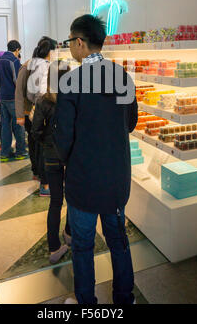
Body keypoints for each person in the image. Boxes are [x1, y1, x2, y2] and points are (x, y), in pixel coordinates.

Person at [53, 15, 138, 305]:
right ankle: (125, 298)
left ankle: (87, 303)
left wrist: (69, 160)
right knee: (119, 243)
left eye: (70, 42)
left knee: (83, 247)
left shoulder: (71, 82)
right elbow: (130, 123)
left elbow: (63, 138)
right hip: (116, 179)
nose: (70, 49)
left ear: (80, 42)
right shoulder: (122, 76)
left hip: (83, 181)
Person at [32, 60, 72, 264]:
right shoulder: (75, 98)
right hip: (72, 155)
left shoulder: (43, 101)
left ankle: (54, 247)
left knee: (55, 201)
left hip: (51, 155)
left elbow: (35, 130)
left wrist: (47, 142)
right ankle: (70, 233)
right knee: (73, 199)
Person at [16, 37, 56, 195]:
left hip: (35, 111)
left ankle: (38, 172)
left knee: (35, 143)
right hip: (30, 112)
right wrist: (19, 114)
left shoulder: (37, 65)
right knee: (36, 144)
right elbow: (19, 92)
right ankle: (40, 175)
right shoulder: (29, 66)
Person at [0, 40, 27, 162]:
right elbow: (17, 81)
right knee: (19, 125)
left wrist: (1, 92)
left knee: (5, 126)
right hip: (14, 98)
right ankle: (21, 152)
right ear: (17, 49)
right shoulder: (14, 61)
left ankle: (5, 153)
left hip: (3, 98)